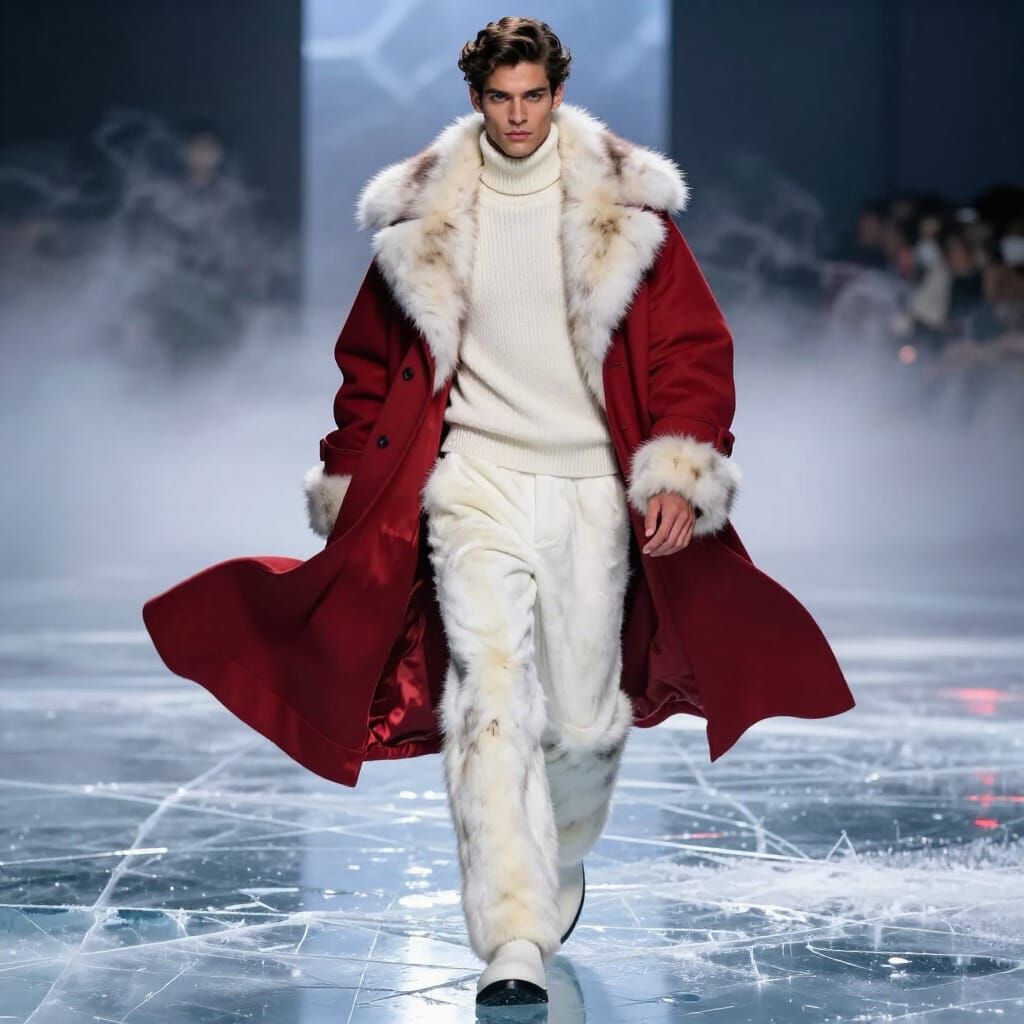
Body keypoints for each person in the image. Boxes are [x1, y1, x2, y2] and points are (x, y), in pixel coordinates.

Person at [142, 14, 855, 1012]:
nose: (518, 116)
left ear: (556, 94)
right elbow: (367, 372)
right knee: (490, 702)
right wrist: (350, 483)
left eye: (533, 97)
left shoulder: (627, 214)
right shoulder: (421, 223)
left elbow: (692, 356)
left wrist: (675, 472)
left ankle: (555, 860)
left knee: (583, 722)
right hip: (470, 485)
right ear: (476, 99)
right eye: (500, 99)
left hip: (590, 491)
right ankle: (511, 935)